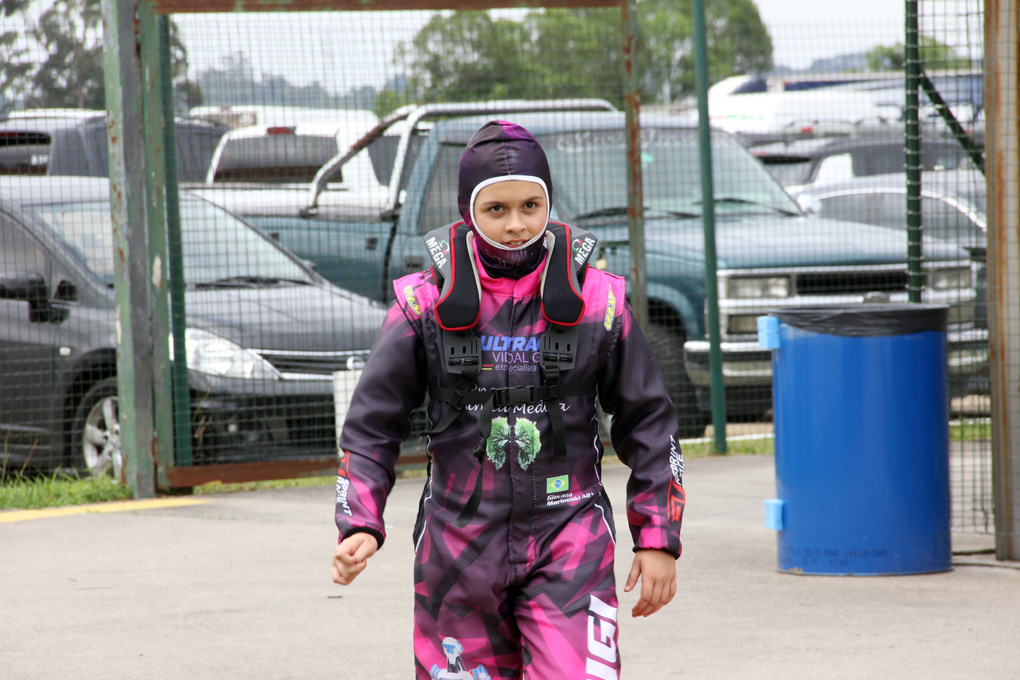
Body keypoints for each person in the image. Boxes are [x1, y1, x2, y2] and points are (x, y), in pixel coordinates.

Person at [332, 119, 685, 679]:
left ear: (549, 204)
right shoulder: (422, 305)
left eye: (530, 205)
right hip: (456, 545)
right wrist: (359, 521)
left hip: (570, 536)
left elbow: (651, 425)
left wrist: (658, 536)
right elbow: (372, 425)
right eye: (496, 209)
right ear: (468, 213)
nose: (516, 224)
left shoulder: (600, 301)